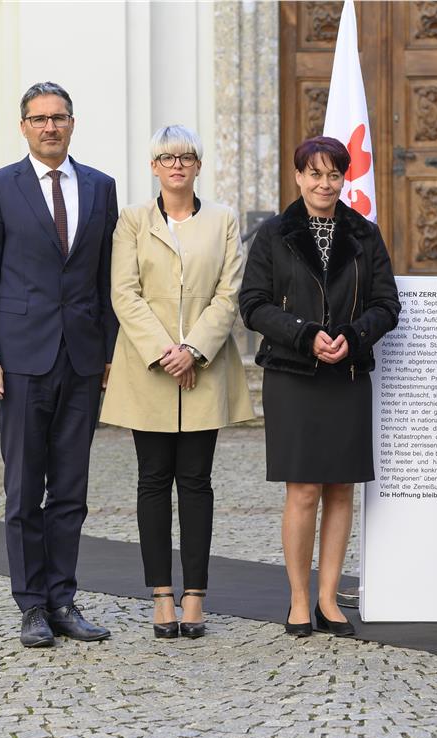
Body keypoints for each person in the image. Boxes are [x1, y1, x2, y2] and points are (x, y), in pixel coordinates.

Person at [0, 82, 119, 648]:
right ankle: (31, 604)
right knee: (24, 489)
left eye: (58, 117)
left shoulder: (101, 187)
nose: (49, 127)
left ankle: (62, 599)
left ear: (72, 123)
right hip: (19, 361)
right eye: (39, 119)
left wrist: (109, 352)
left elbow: (106, 277)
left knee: (71, 491)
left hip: (81, 359)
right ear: (24, 126)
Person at [239, 136, 400, 638]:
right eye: (315, 174)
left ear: (344, 178)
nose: (324, 183)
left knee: (340, 489)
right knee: (304, 489)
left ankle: (329, 599)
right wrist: (305, 335)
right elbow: (253, 304)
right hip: (293, 376)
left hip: (346, 376)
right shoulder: (273, 234)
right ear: (298, 177)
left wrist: (354, 336)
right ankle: (298, 599)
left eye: (334, 174)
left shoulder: (365, 234)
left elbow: (387, 304)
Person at [99, 125, 253, 640]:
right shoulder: (132, 220)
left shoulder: (222, 220)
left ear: (198, 165)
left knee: (196, 481)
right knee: (152, 479)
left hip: (203, 369)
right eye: (167, 158)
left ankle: (195, 595)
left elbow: (229, 293)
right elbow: (124, 292)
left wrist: (193, 350)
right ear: (154, 167)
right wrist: (166, 351)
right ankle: (161, 593)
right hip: (150, 367)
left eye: (186, 157)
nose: (177, 165)